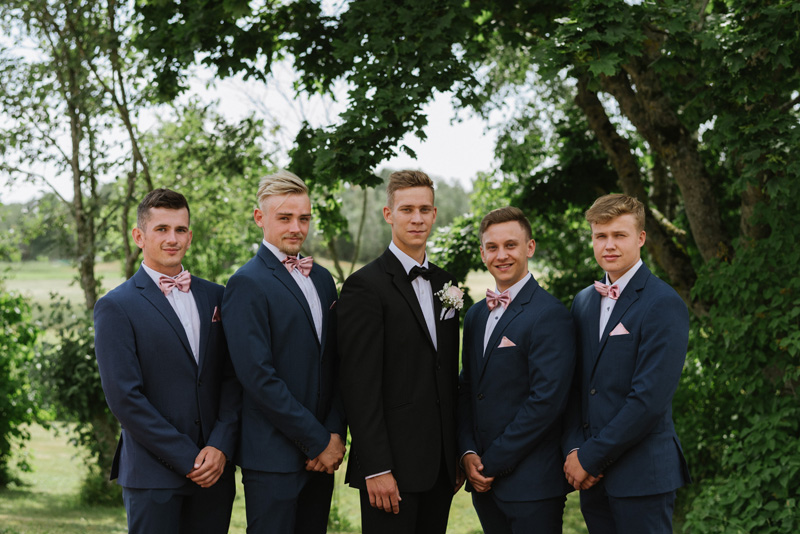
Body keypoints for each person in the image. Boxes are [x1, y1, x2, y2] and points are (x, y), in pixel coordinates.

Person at [94, 188, 240, 534]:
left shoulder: (218, 296)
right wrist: (187, 457)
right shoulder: (116, 306)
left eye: (180, 229)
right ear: (139, 236)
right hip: (152, 476)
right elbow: (125, 398)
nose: (172, 238)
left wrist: (220, 446)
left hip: (214, 473)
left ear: (190, 236)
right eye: (162, 229)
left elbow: (233, 378)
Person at [338, 170, 463, 534]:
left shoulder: (446, 283)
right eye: (407, 209)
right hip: (390, 469)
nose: (417, 218)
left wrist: (454, 453)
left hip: (441, 467)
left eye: (424, 209)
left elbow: (445, 373)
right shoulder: (364, 286)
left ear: (435, 214)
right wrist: (376, 467)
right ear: (388, 214)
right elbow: (358, 386)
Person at [221, 170, 346, 534]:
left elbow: (336, 362)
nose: (296, 228)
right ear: (259, 218)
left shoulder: (322, 278)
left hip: (323, 457)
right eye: (285, 218)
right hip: (272, 458)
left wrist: (334, 433)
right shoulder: (246, 283)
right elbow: (258, 377)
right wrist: (316, 440)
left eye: (304, 218)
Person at [563, 193, 691, 534]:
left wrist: (590, 457)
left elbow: (648, 400)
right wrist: (574, 448)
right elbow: (576, 386)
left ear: (641, 238)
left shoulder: (663, 303)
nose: (609, 245)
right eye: (600, 236)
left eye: (619, 235)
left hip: (642, 477)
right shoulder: (583, 302)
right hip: (592, 481)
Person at [457, 206, 576, 534]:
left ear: (530, 247)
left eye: (511, 245)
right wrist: (467, 452)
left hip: (533, 485)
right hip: (484, 484)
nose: (501, 255)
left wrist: (492, 462)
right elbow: (468, 388)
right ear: (482, 253)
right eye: (492, 247)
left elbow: (546, 402)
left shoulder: (549, 314)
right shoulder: (476, 315)